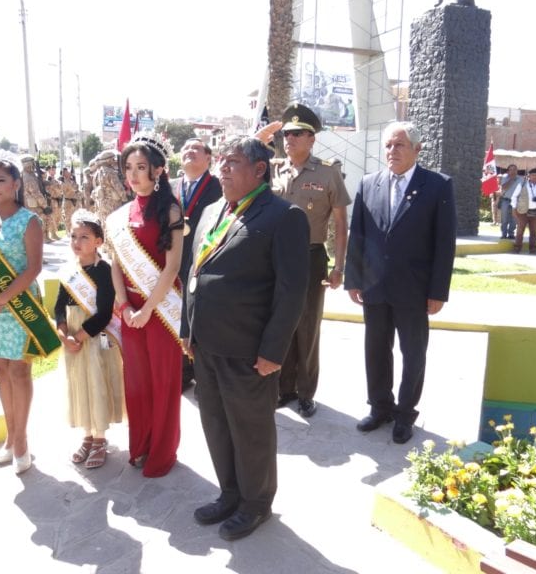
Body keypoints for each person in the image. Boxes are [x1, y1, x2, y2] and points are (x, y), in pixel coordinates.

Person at [182, 136, 310, 541]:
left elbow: (292, 292)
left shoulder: (283, 216)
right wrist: (188, 331)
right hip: (207, 345)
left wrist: (274, 351)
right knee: (216, 424)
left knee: (250, 430)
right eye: (220, 161)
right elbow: (194, 274)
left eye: (232, 162)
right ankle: (230, 493)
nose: (222, 168)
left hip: (250, 351)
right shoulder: (210, 211)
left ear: (259, 170)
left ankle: (256, 505)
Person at [344, 121, 456, 445]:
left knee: (413, 353)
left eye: (399, 145)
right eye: (389, 145)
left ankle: (405, 414)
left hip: (415, 290)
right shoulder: (369, 183)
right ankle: (380, 407)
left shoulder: (437, 186)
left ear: (417, 149)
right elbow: (359, 235)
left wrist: (437, 292)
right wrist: (354, 278)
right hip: (375, 288)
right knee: (376, 350)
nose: (392, 151)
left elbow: (444, 244)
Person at [0, 159, 60, 475]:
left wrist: (3, 298)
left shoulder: (29, 221)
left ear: (16, 183)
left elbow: (34, 268)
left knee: (19, 372)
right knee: (0, 372)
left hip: (19, 309)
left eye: (1, 180)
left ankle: (21, 441)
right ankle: (9, 437)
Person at [106, 132, 183, 478]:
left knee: (163, 382)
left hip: (160, 309)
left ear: (158, 170)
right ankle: (141, 444)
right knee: (136, 381)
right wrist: (123, 305)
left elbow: (172, 267)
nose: (134, 174)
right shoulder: (119, 216)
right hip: (131, 311)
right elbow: (116, 263)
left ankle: (162, 452)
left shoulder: (170, 209)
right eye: (129, 167)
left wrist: (147, 309)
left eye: (141, 167)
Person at [271, 102, 350, 417]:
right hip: (276, 259)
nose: (289, 139)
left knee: (307, 327)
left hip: (311, 255)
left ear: (312, 138)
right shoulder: (274, 170)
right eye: (287, 134)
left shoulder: (328, 172)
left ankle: (305, 392)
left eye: (297, 134)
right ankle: (283, 388)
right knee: (280, 324)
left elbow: (341, 225)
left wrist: (339, 267)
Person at [54, 209, 124, 469]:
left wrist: (80, 337)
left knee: (96, 382)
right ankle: (86, 435)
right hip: (72, 336)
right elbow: (59, 305)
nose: (77, 242)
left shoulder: (104, 271)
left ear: (98, 241)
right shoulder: (68, 271)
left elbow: (105, 312)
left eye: (84, 236)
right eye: (73, 236)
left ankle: (99, 439)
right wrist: (63, 333)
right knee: (79, 384)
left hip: (93, 336)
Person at [174, 137, 222, 391]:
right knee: (177, 317)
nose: (189, 151)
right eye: (185, 147)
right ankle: (182, 373)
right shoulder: (169, 186)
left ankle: (204, 376)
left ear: (208, 158)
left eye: (196, 148)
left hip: (205, 261)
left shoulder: (219, 187)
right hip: (173, 262)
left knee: (201, 319)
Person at [511, 168, 536, 255]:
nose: (535, 177)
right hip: (523, 211)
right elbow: (514, 196)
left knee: (534, 232)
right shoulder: (523, 184)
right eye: (533, 175)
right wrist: (514, 208)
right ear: (529, 176)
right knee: (520, 230)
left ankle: (533, 249)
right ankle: (517, 248)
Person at [498, 165, 522, 239]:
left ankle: (511, 233)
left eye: (514, 170)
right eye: (511, 170)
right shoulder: (505, 177)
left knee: (514, 219)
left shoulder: (521, 179)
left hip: (516, 202)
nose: (513, 171)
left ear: (517, 171)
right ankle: (504, 234)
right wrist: (511, 180)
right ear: (508, 171)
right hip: (506, 200)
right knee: (504, 218)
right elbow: (504, 187)